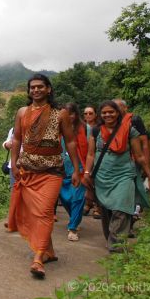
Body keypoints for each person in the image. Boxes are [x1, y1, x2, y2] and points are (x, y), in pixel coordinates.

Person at [9, 74, 81, 278]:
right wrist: (14, 164)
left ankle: (38, 258)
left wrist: (77, 169)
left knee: (44, 211)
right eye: (32, 87)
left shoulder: (60, 114)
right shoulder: (22, 112)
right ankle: (49, 252)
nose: (36, 90)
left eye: (40, 86)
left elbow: (71, 142)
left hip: (52, 172)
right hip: (28, 171)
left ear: (49, 89)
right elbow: (16, 139)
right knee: (36, 214)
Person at [82, 100, 150, 253]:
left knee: (121, 209)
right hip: (102, 177)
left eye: (111, 112)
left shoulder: (129, 130)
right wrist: (87, 173)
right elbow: (90, 154)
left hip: (124, 175)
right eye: (104, 112)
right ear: (100, 115)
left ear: (117, 113)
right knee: (106, 210)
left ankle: (116, 246)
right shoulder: (96, 131)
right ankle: (111, 238)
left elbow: (139, 156)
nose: (108, 115)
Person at [59, 103, 88, 241]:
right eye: (65, 113)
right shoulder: (56, 130)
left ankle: (72, 228)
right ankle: (74, 218)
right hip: (61, 169)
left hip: (79, 169)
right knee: (65, 198)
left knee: (77, 198)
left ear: (76, 114)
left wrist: (88, 171)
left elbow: (90, 151)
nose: (68, 116)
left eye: (71, 113)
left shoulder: (85, 129)